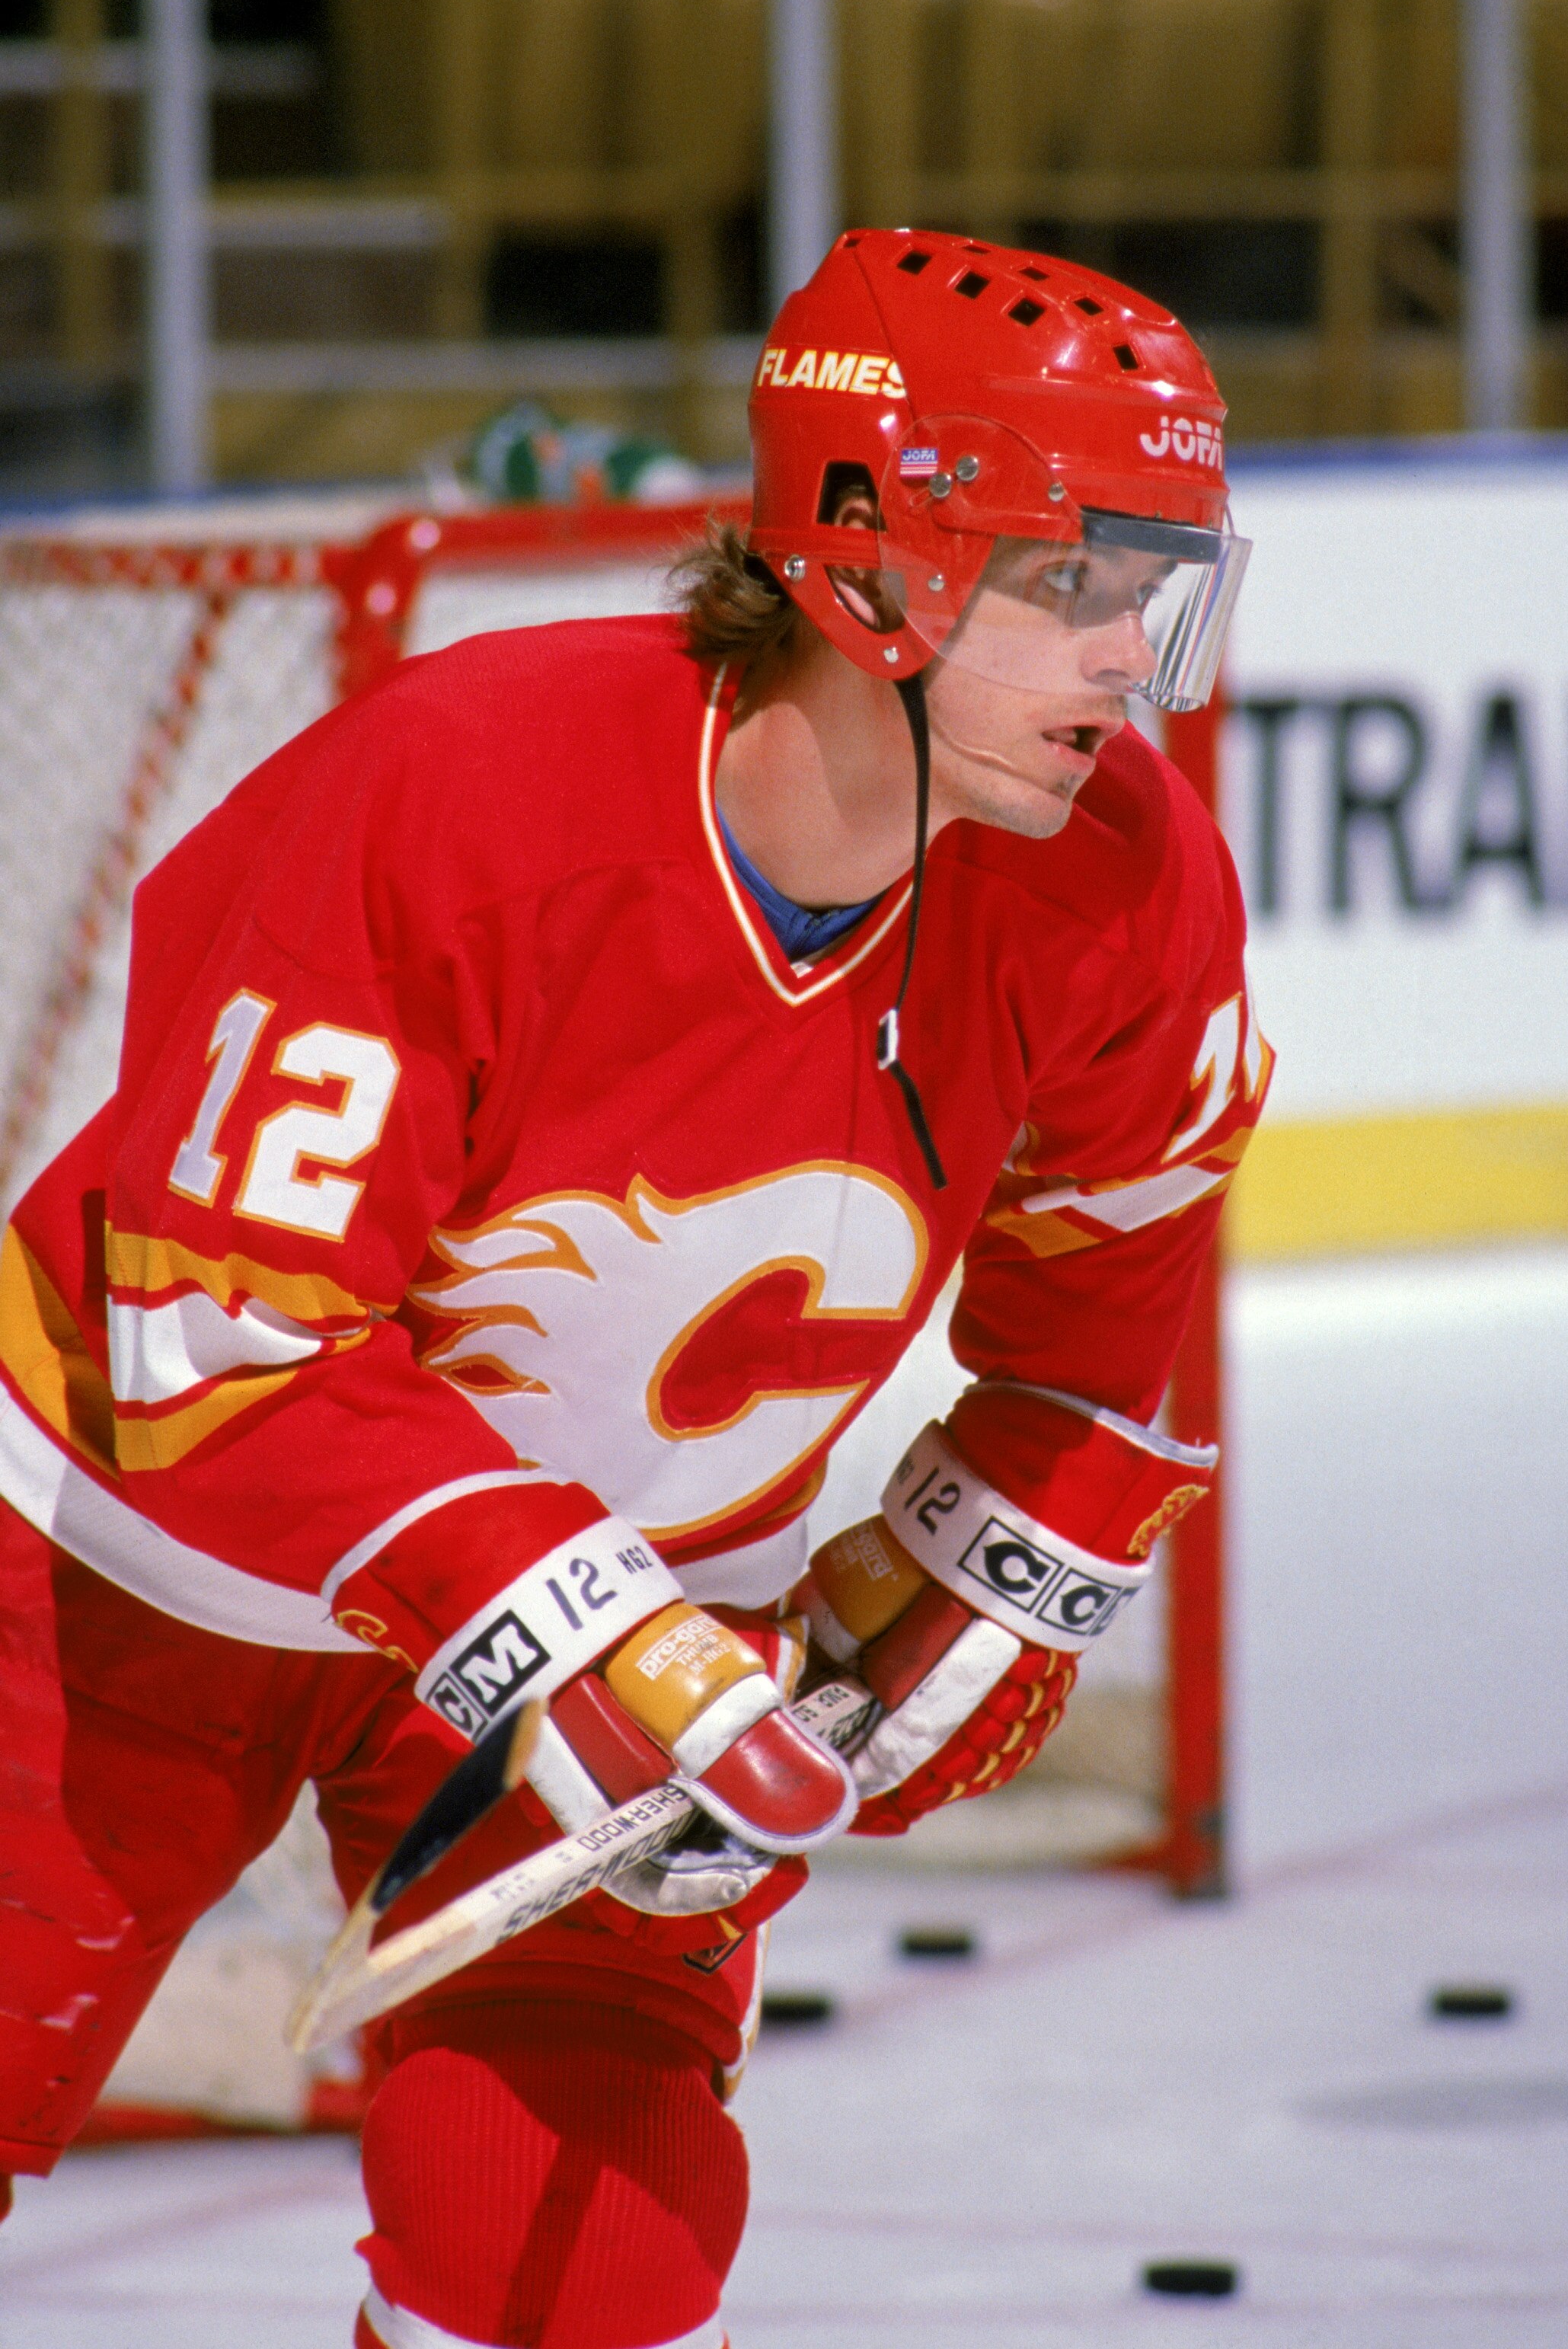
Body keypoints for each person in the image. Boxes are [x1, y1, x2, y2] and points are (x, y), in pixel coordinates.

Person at [0, 230, 1271, 2349]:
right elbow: (225, 1341)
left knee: (583, 2260)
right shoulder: (459, 794)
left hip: (630, 1631)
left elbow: (1111, 1281)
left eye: (1158, 585)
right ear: (867, 554)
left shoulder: (1120, 882)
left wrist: (1000, 1557)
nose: (1129, 658)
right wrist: (588, 1627)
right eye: (1072, 581)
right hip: (130, 1569)